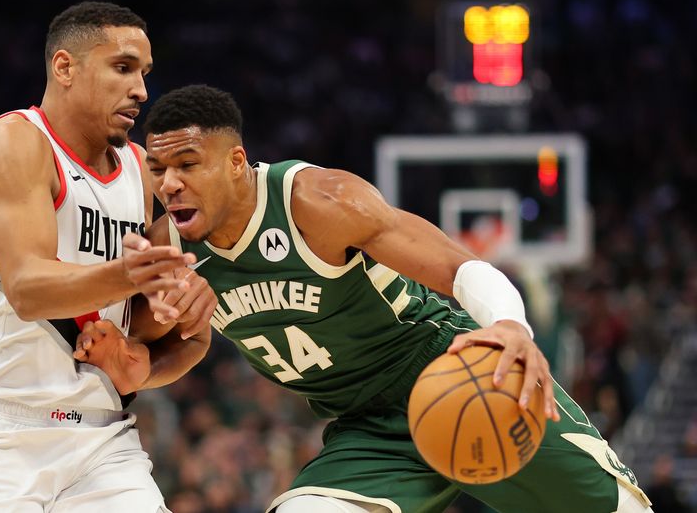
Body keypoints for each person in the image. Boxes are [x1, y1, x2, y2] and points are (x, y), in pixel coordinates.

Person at [76, 84, 654, 513]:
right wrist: (140, 363)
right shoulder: (168, 249)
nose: (168, 183)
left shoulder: (319, 202)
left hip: (459, 374)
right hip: (367, 428)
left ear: (235, 163)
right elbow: (187, 343)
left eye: (186, 164)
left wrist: (510, 325)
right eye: (157, 168)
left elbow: (459, 267)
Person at [0, 3, 216, 513]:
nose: (141, 91)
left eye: (145, 74)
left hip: (103, 443)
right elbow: (27, 290)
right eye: (123, 68)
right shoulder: (17, 142)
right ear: (65, 67)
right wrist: (128, 275)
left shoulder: (142, 172)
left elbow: (185, 338)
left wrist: (165, 334)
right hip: (0, 439)